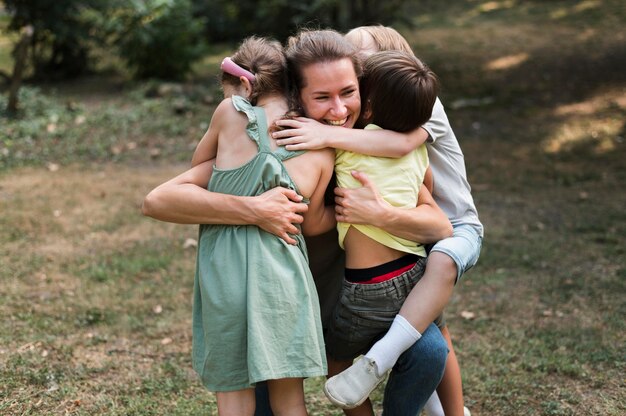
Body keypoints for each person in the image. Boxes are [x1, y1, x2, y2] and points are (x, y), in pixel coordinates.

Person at [146, 29, 450, 415]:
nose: (338, 111)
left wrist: (380, 214)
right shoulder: (288, 145)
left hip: (351, 302)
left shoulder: (376, 144)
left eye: (348, 93)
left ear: (365, 90)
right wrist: (257, 209)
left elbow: (439, 225)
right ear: (297, 98)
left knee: (430, 349)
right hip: (286, 303)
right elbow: (159, 198)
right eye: (322, 97)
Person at [271, 25, 484, 416]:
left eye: (357, 79)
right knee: (430, 322)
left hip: (446, 233)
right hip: (412, 265)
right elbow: (419, 173)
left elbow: (441, 222)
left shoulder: (410, 113)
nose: (342, 104)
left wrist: (375, 211)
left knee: (339, 359)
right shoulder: (390, 134)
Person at [143, 36, 337, 416]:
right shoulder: (321, 147)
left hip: (224, 276)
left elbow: (203, 164)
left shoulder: (230, 113)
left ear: (244, 87)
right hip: (284, 280)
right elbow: (312, 226)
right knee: (290, 400)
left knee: (233, 397)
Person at [317, 48, 443, 412]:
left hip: (369, 289)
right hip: (415, 274)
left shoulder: (347, 149)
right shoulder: (416, 150)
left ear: (367, 107)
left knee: (335, 364)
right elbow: (427, 188)